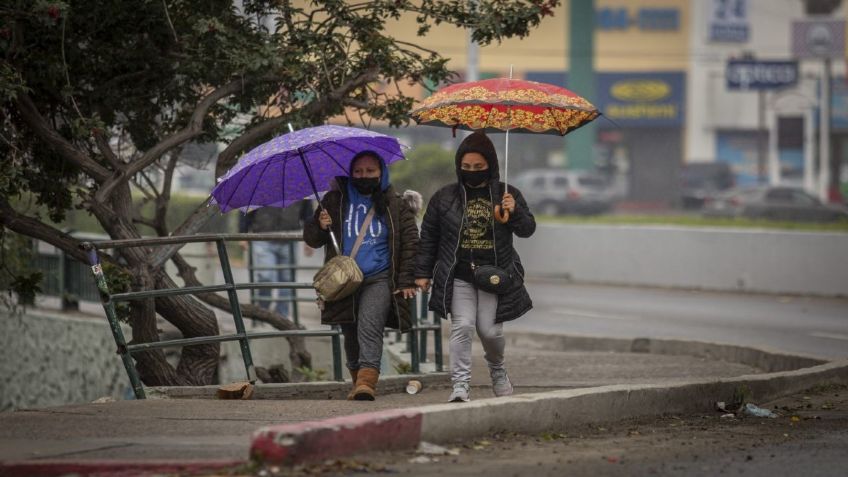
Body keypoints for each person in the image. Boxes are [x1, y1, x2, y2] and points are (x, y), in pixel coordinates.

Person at [414, 131, 536, 403]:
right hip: (459, 276)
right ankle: (460, 385)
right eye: (466, 167)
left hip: (494, 276)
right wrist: (422, 273)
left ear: (490, 165)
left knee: (490, 331)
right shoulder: (444, 198)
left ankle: (497, 369)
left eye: (478, 167)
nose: (471, 172)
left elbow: (527, 230)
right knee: (463, 326)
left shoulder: (507, 194)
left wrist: (514, 211)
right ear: (459, 166)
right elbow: (429, 237)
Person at [304, 150, 421, 401]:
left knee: (370, 325)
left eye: (370, 171)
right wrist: (320, 225)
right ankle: (358, 382)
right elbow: (312, 240)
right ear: (350, 173)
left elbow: (411, 242)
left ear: (381, 172)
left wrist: (406, 279)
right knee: (350, 331)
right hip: (343, 280)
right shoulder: (334, 200)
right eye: (358, 172)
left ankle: (367, 382)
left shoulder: (395, 203)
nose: (364, 176)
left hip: (379, 278)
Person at [240, 199, 313, 317]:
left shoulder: (300, 185)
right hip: (263, 237)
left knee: (287, 280)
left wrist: (310, 238)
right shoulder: (259, 184)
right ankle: (262, 312)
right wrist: (242, 233)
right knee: (266, 276)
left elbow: (308, 214)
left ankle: (281, 316)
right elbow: (246, 208)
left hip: (290, 238)